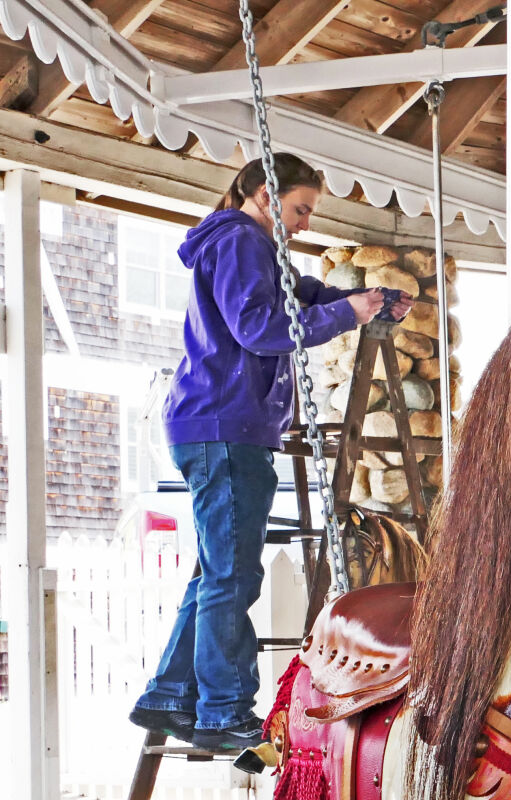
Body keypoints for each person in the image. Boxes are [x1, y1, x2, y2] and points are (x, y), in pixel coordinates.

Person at [129, 154, 410, 751]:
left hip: (218, 424)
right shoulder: (239, 241)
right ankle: (225, 711)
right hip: (226, 426)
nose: (305, 224)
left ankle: (171, 695)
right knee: (233, 574)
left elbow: (300, 292)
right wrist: (348, 312)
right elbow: (259, 327)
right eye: (301, 209)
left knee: (215, 570)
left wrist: (359, 299)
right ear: (264, 192)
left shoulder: (250, 247)